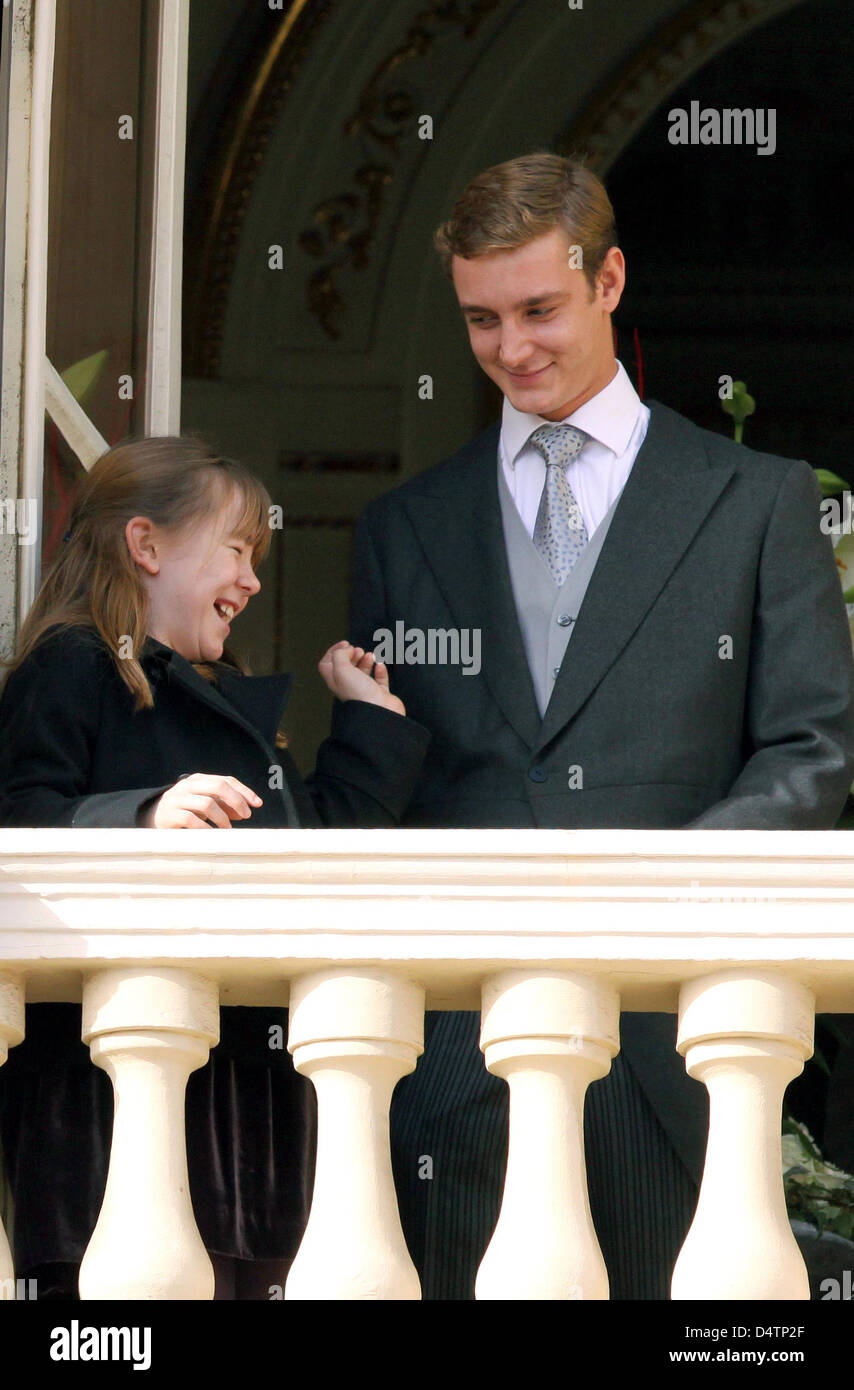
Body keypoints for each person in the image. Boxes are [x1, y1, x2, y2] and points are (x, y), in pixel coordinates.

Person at [348, 152, 854, 1299]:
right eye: (481, 319)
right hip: (447, 1064)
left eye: (538, 309)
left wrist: (655, 902)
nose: (512, 348)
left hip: (672, 1045)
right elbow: (385, 781)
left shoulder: (756, 501)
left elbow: (810, 748)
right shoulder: (400, 526)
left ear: (608, 278)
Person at [0, 435, 429, 1299]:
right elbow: (17, 821)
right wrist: (143, 817)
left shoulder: (223, 694)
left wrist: (369, 723)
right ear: (147, 545)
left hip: (249, 1109)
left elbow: (312, 858)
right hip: (103, 1108)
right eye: (237, 550)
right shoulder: (72, 664)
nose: (254, 579)